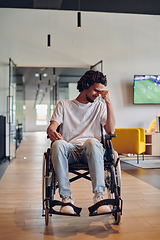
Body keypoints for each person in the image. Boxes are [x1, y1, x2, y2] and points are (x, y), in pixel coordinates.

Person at [47, 69, 115, 215]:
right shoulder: (64, 105)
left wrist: (108, 103)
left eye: (101, 91)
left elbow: (110, 131)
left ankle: (99, 197)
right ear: (85, 85)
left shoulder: (100, 106)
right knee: (58, 144)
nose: (99, 94)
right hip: (69, 150)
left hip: (91, 151)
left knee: (92, 142)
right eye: (96, 90)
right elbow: (52, 126)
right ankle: (66, 199)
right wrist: (52, 131)